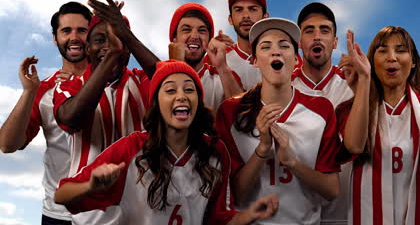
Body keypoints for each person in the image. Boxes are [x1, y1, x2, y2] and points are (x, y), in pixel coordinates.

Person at [54, 60, 279, 224]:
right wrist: (91, 186)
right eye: (170, 90)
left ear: (197, 103)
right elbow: (62, 194)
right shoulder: (131, 148)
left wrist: (250, 215)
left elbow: (218, 220)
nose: (181, 95)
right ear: (156, 104)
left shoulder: (215, 152)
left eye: (189, 89)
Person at [216, 17, 341, 224]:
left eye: (284, 46)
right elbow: (235, 194)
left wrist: (292, 163)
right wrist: (263, 150)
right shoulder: (230, 112)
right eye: (266, 47)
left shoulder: (321, 109)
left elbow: (332, 190)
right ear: (254, 60)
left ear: (295, 59)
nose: (276, 51)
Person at [54, 0, 160, 224]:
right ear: (87, 48)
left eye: (116, 38)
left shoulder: (143, 81)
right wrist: (113, 53)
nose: (108, 45)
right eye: (100, 39)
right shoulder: (70, 85)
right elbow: (71, 119)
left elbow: (172, 79)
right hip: (89, 216)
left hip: (142, 211)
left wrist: (126, 37)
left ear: (129, 48)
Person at [346, 26, 420, 224]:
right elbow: (352, 146)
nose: (391, 57)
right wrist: (363, 81)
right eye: (383, 50)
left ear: (412, 63)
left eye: (400, 50)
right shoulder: (354, 111)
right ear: (371, 62)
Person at [0, 1, 92, 225]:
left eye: (82, 30)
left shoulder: (111, 80)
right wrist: (28, 92)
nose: (74, 37)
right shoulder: (43, 90)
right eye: (66, 30)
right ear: (55, 38)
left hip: (108, 212)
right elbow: (7, 145)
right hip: (57, 214)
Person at [293, 2, 370, 224]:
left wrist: (363, 85)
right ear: (299, 42)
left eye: (324, 30)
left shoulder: (354, 82)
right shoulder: (284, 87)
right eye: (309, 31)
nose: (317, 37)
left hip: (346, 214)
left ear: (335, 42)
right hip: (297, 215)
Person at [168, 2, 243, 110]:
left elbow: (242, 117)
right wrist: (176, 67)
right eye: (186, 30)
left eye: (202, 30)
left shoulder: (223, 76)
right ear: (174, 39)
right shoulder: (153, 75)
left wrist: (222, 67)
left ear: (209, 40)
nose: (194, 36)